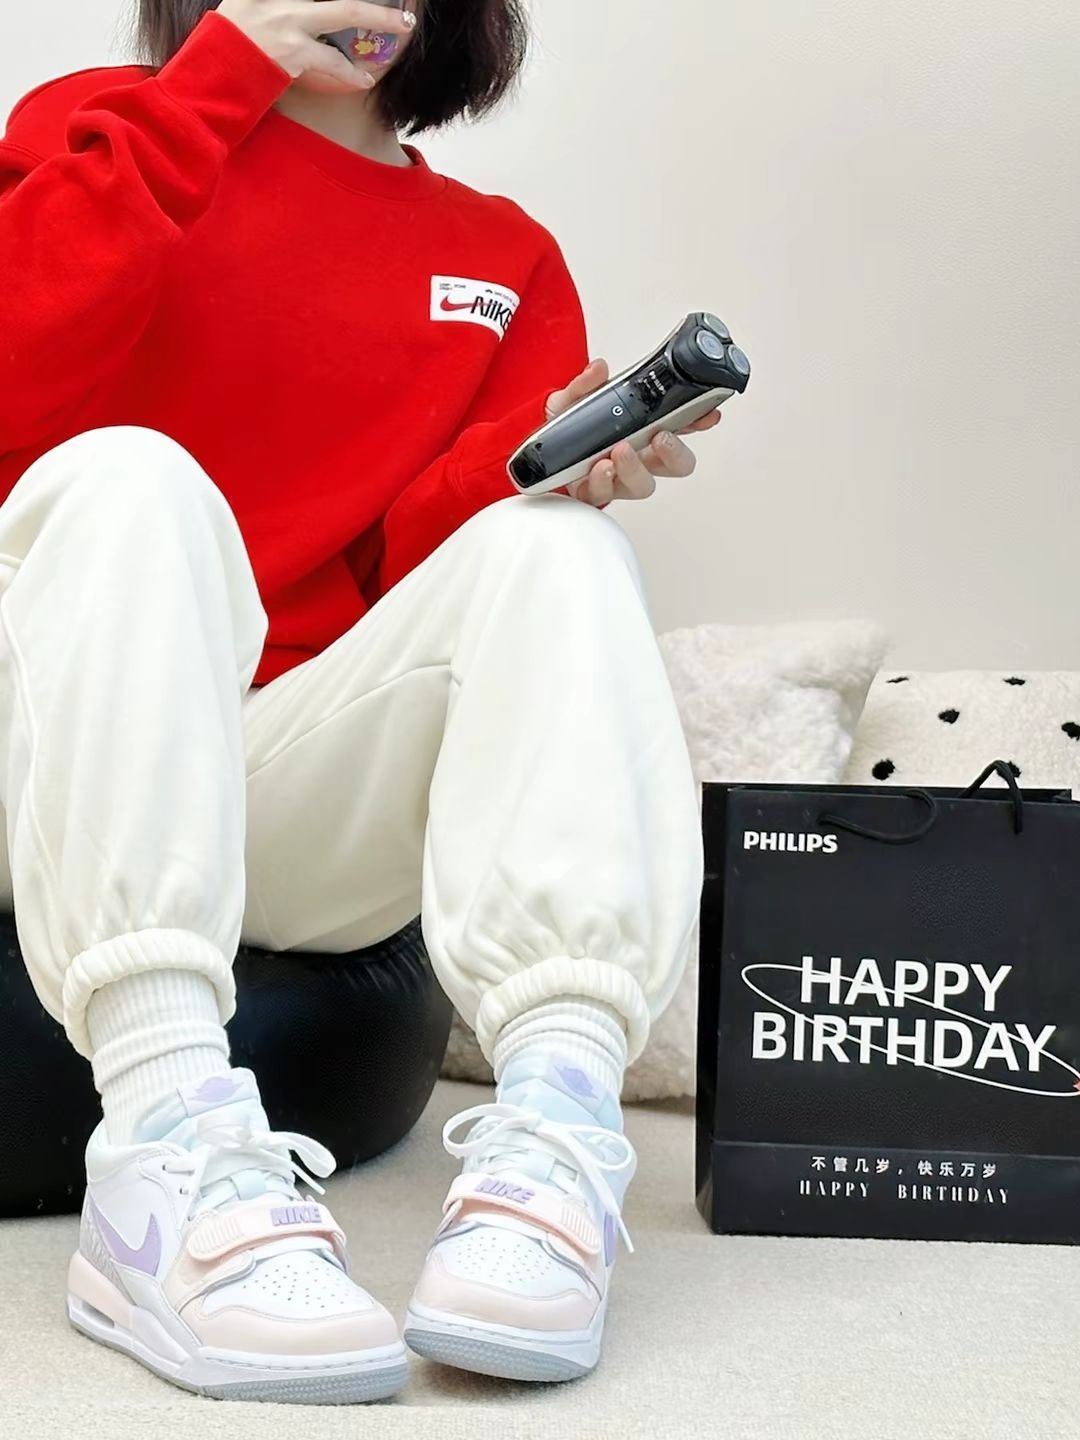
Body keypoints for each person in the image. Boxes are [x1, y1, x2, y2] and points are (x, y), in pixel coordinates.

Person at [0, 0, 718, 1403]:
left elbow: (399, 575)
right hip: (46, 741)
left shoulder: (503, 257)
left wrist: (531, 469)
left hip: (274, 781)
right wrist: (218, 81)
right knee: (132, 474)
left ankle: (553, 1143)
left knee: (554, 549)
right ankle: (159, 1160)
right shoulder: (98, 126)